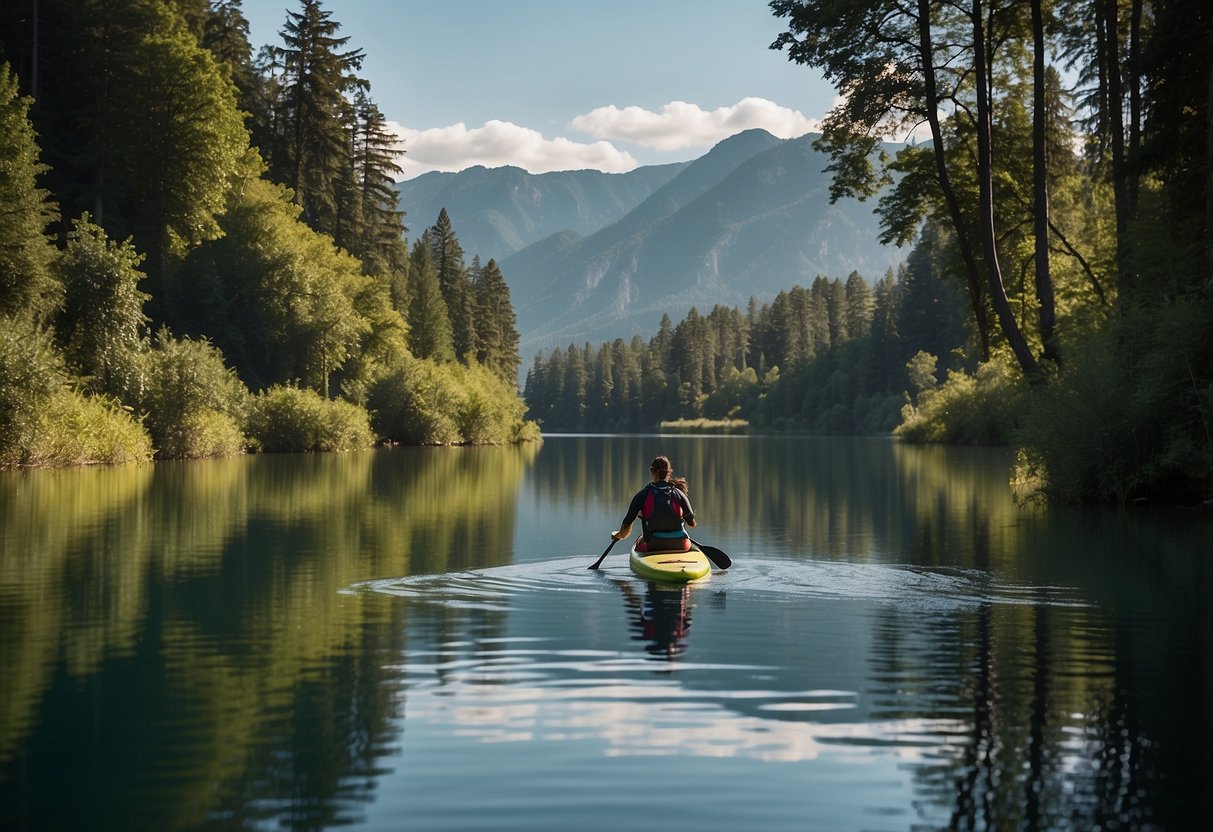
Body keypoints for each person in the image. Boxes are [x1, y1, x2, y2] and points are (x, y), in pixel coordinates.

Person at [611, 455, 697, 552]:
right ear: (669, 472)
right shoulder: (679, 494)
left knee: (639, 542)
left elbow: (626, 528)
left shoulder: (642, 495)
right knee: (687, 540)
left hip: (654, 545)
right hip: (681, 544)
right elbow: (692, 524)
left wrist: (619, 535)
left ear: (652, 471)